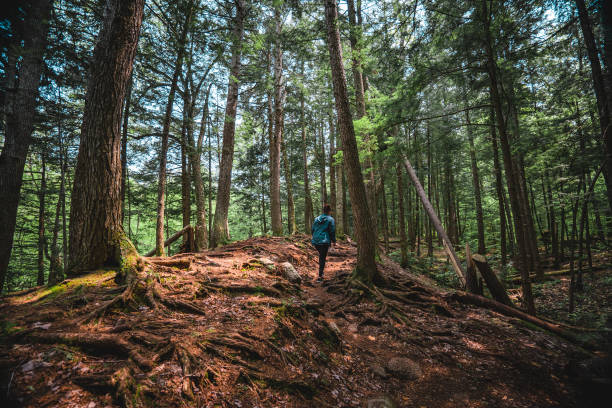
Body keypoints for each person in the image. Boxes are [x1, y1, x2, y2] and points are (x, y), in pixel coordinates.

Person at [311, 203, 336, 282]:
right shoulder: (330, 219)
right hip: (324, 241)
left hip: (315, 241)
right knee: (322, 257)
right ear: (329, 211)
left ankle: (321, 273)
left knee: (321, 256)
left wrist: (314, 237)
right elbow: (332, 231)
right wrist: (334, 241)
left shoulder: (316, 219)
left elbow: (312, 229)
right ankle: (320, 276)